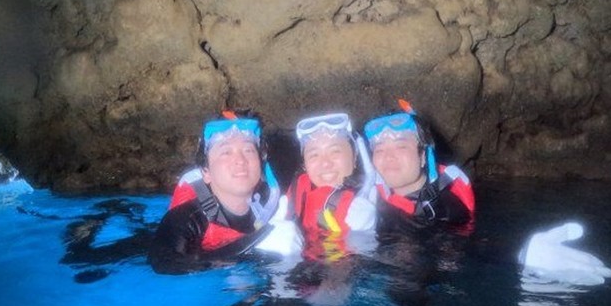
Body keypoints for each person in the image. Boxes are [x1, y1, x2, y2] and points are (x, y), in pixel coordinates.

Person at [149, 110, 298, 274]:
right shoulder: (187, 218)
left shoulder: (275, 204)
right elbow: (164, 264)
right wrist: (254, 245)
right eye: (226, 152)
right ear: (206, 172)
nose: (240, 160)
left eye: (248, 150)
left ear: (261, 163)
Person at [363, 99, 475, 234]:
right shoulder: (366, 200)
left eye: (401, 147)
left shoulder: (446, 212)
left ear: (423, 156)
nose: (388, 157)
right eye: (379, 150)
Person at [285, 112, 377, 241]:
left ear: (354, 157)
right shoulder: (294, 193)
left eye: (335, 152)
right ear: (304, 164)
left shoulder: (373, 199)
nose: (325, 163)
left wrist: (367, 237)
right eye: (314, 155)